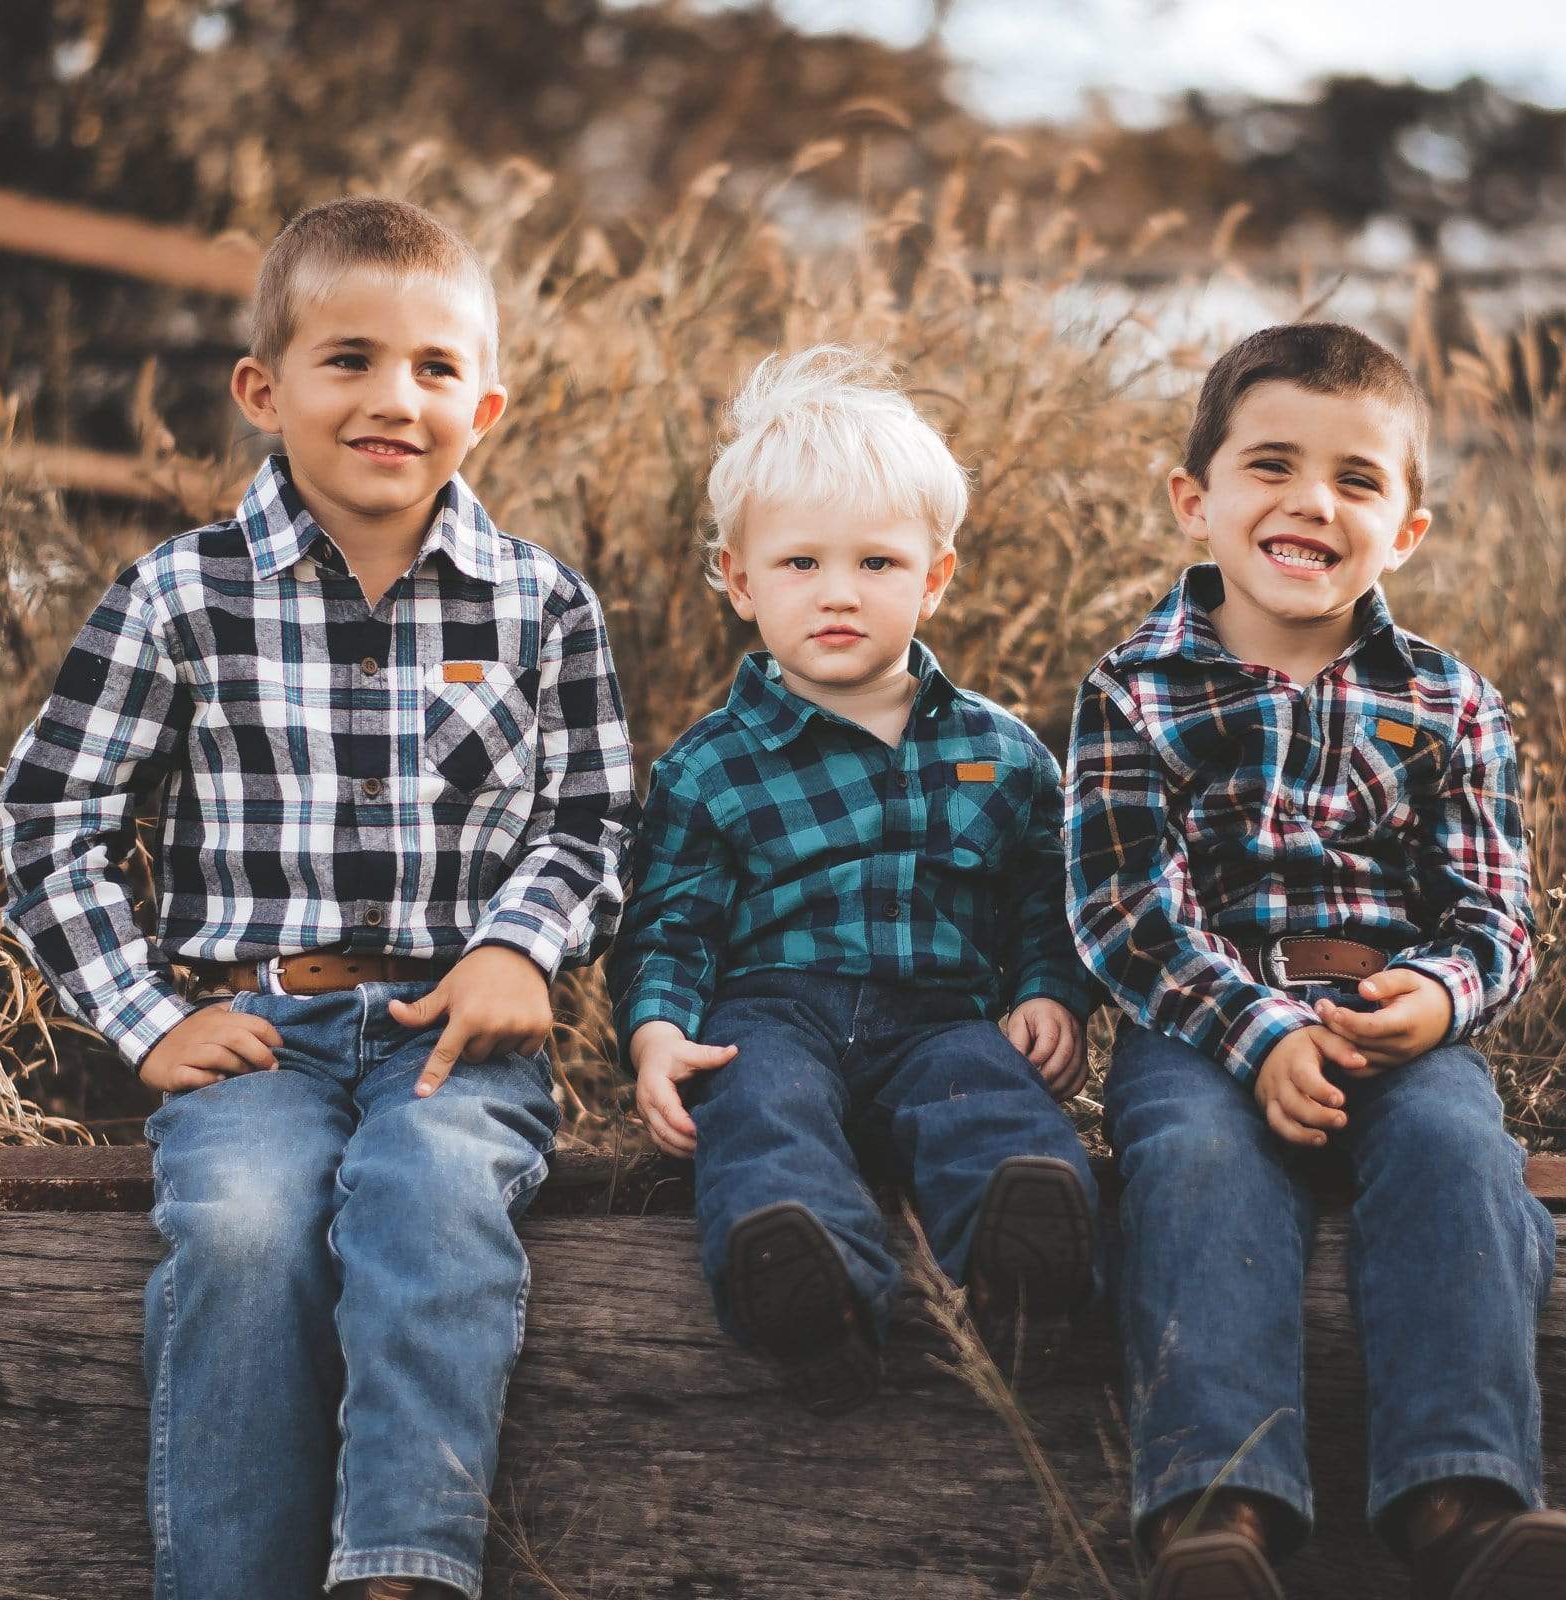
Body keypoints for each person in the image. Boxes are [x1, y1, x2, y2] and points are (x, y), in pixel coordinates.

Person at [0, 196, 636, 1600]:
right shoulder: (179, 598)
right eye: (347, 359)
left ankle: (399, 1570)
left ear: (489, 404)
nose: (391, 399)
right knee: (243, 1224)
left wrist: (522, 950)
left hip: (454, 1036)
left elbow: (591, 816)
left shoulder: (540, 608)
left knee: (429, 1193)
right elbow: (55, 818)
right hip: (262, 1031)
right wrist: (148, 1018)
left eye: (433, 370)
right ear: (262, 389)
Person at [1065, 321, 1564, 1600]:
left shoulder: (1450, 702)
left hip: (1396, 1025)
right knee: (1193, 1160)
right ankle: (1215, 1506)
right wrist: (1256, 1029)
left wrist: (1441, 994)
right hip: (1200, 1027)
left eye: (1356, 479)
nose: (1310, 501)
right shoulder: (1136, 685)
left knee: (1462, 1152)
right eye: (1271, 464)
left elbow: (1499, 911)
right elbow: (1125, 909)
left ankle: (1460, 1496)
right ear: (1198, 498)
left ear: (1405, 528)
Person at [609, 344, 1098, 1416]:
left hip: (943, 1018)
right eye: (799, 566)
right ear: (739, 581)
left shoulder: (1003, 753)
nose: (839, 594)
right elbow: (669, 925)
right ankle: (808, 1286)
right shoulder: (709, 765)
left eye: (876, 564)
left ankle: (1027, 1277)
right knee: (761, 1112)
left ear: (934, 575)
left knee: (991, 1108)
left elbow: (1042, 897)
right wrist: (655, 1032)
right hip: (772, 1014)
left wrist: (1049, 989)